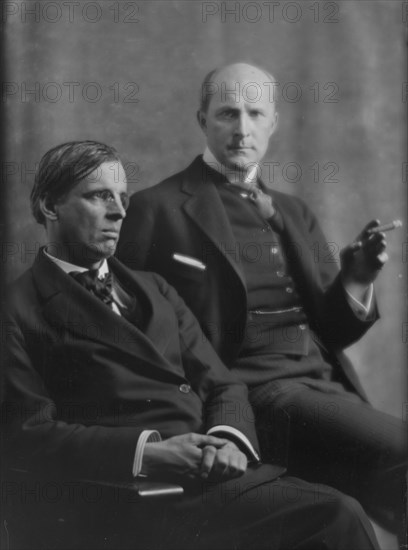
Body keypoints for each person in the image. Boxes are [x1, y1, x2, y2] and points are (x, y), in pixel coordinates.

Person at [1, 140, 381, 550]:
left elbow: (223, 384)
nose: (119, 211)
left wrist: (229, 438)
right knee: (333, 517)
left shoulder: (154, 288)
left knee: (341, 509)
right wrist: (148, 454)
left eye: (123, 198)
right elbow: (25, 436)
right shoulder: (17, 309)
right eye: (99, 196)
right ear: (49, 206)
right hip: (122, 498)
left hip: (207, 478)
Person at [116, 63, 407, 538]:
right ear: (202, 121)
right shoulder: (157, 208)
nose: (242, 129)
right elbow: (129, 330)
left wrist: (357, 278)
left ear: (273, 123)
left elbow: (334, 330)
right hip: (251, 394)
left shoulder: (294, 211)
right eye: (228, 113)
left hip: (325, 388)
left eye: (255, 114)